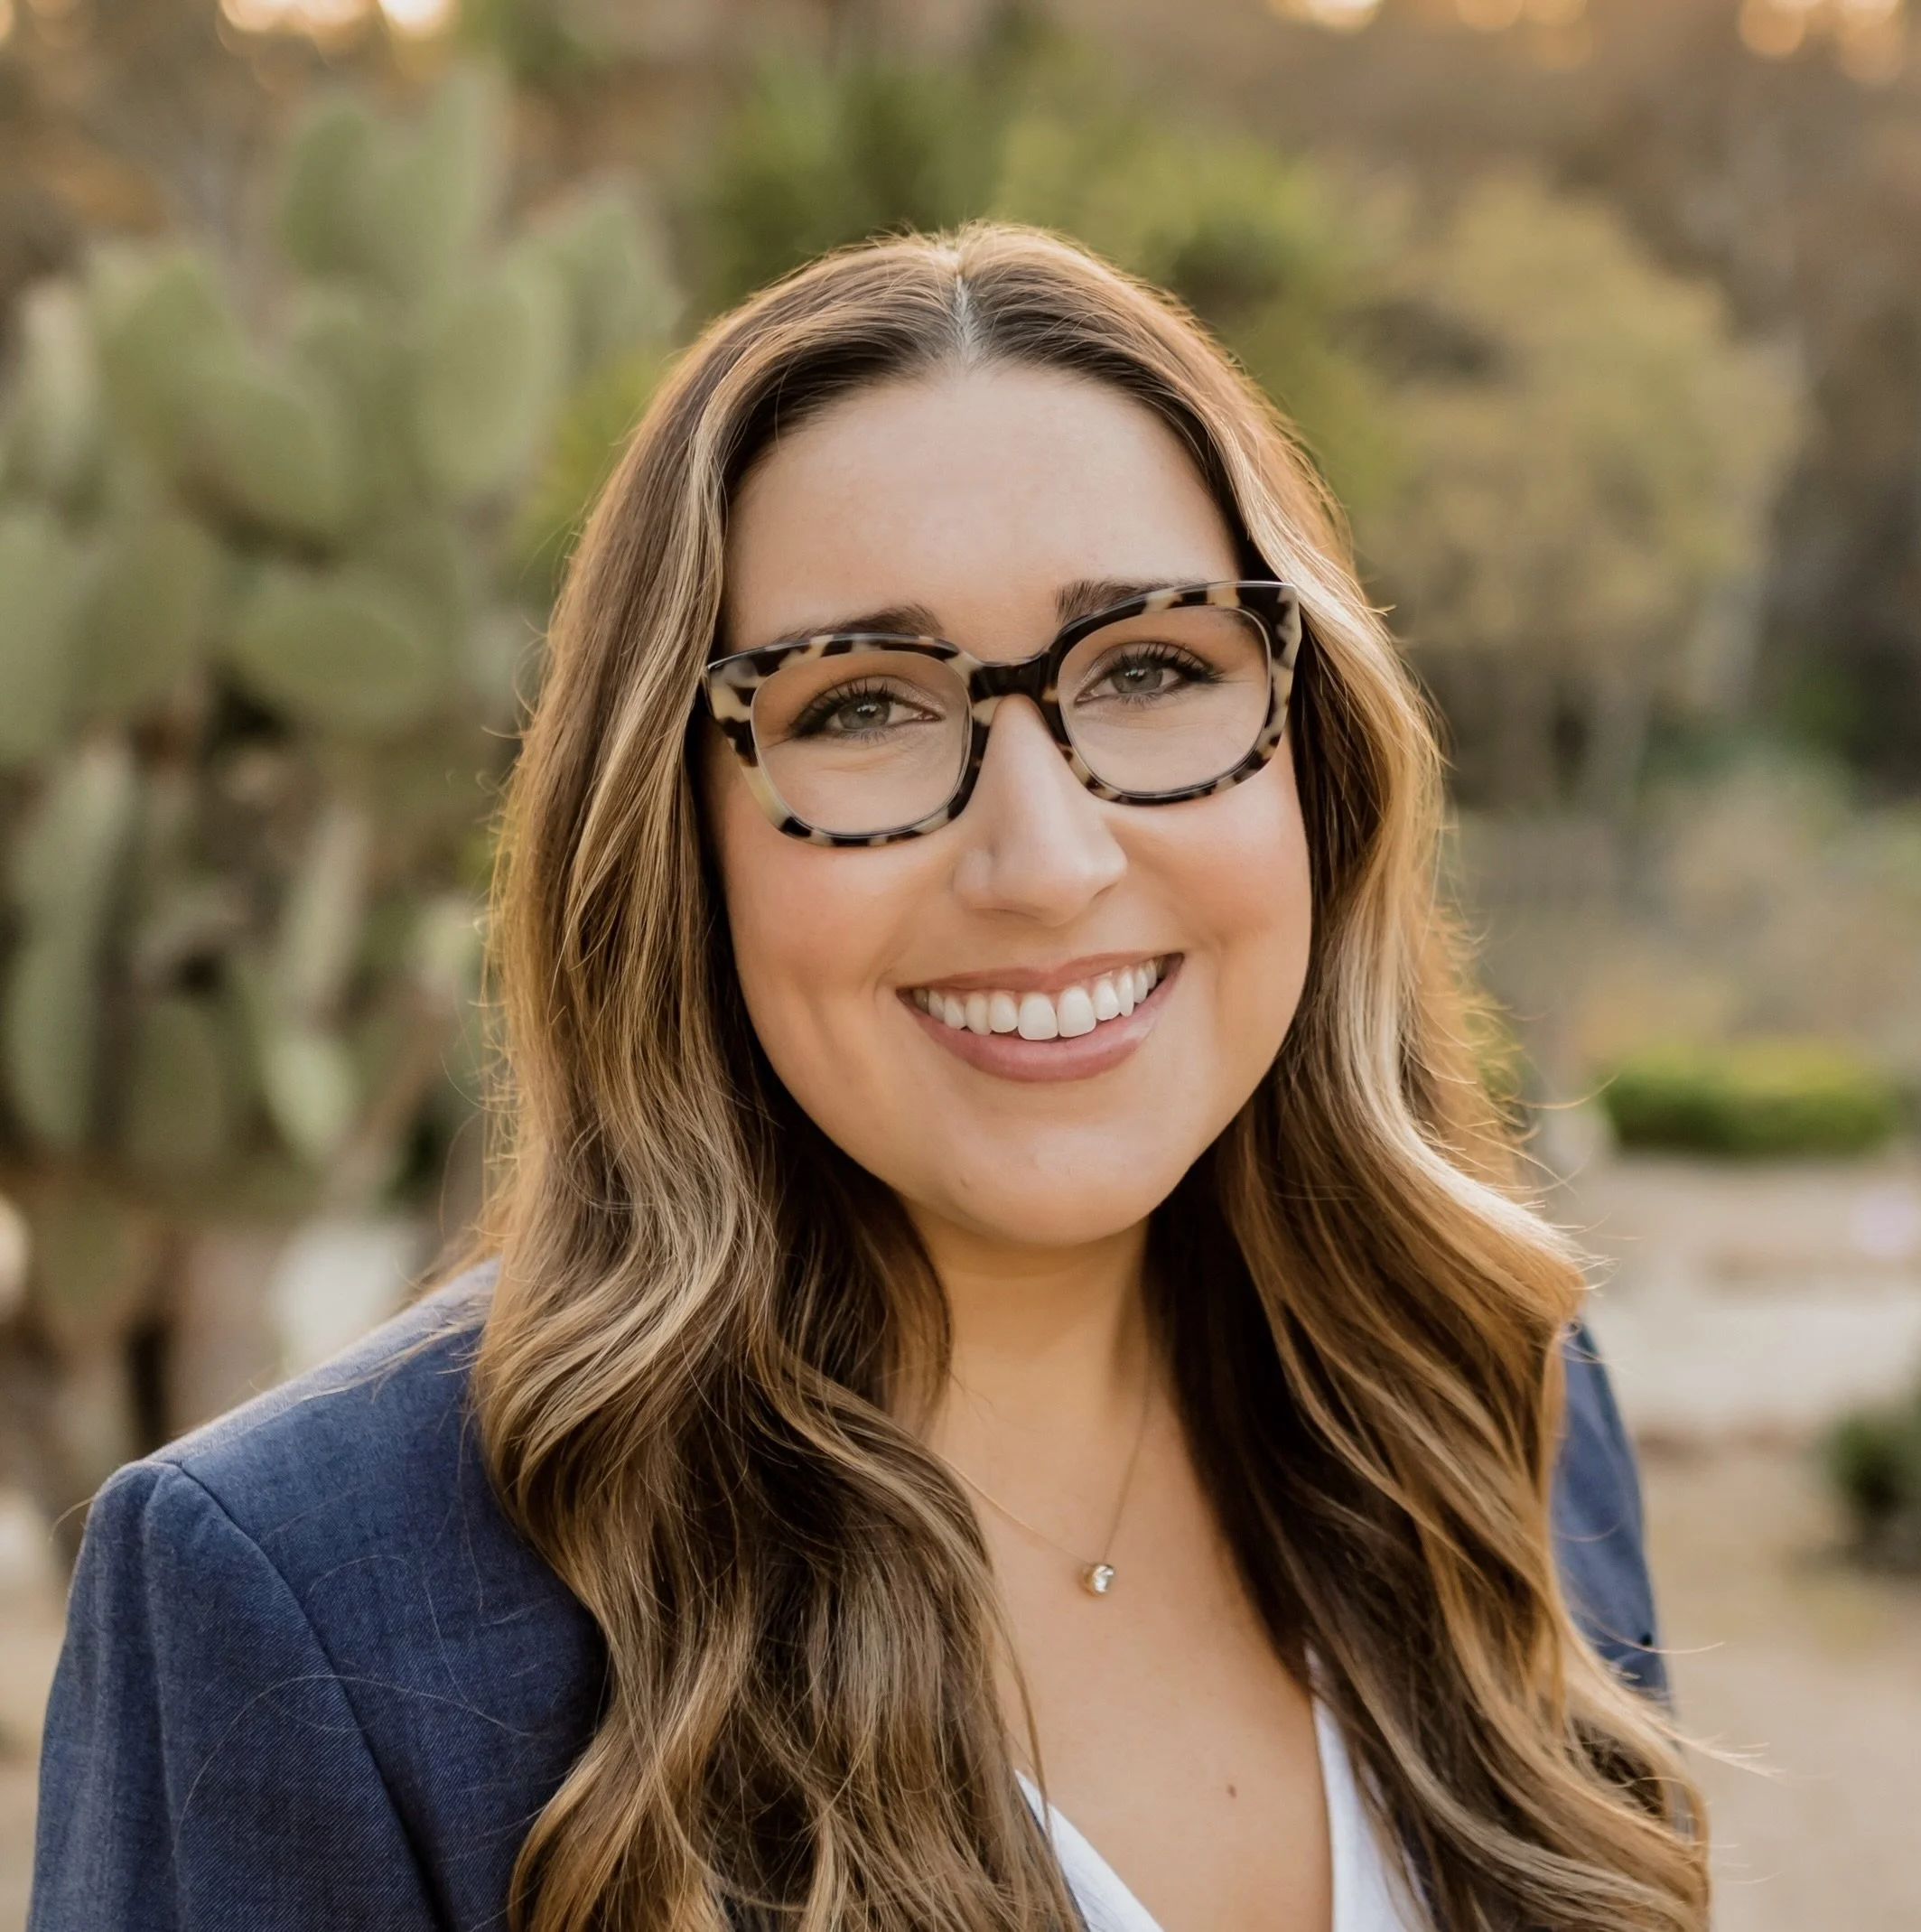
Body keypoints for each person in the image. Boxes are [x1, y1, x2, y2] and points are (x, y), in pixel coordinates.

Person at [31, 223, 1705, 1932]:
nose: (1045, 860)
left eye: (1148, 667)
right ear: (674, 837)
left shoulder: (1493, 1394)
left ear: (1313, 756)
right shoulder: (303, 1606)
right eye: (860, 708)